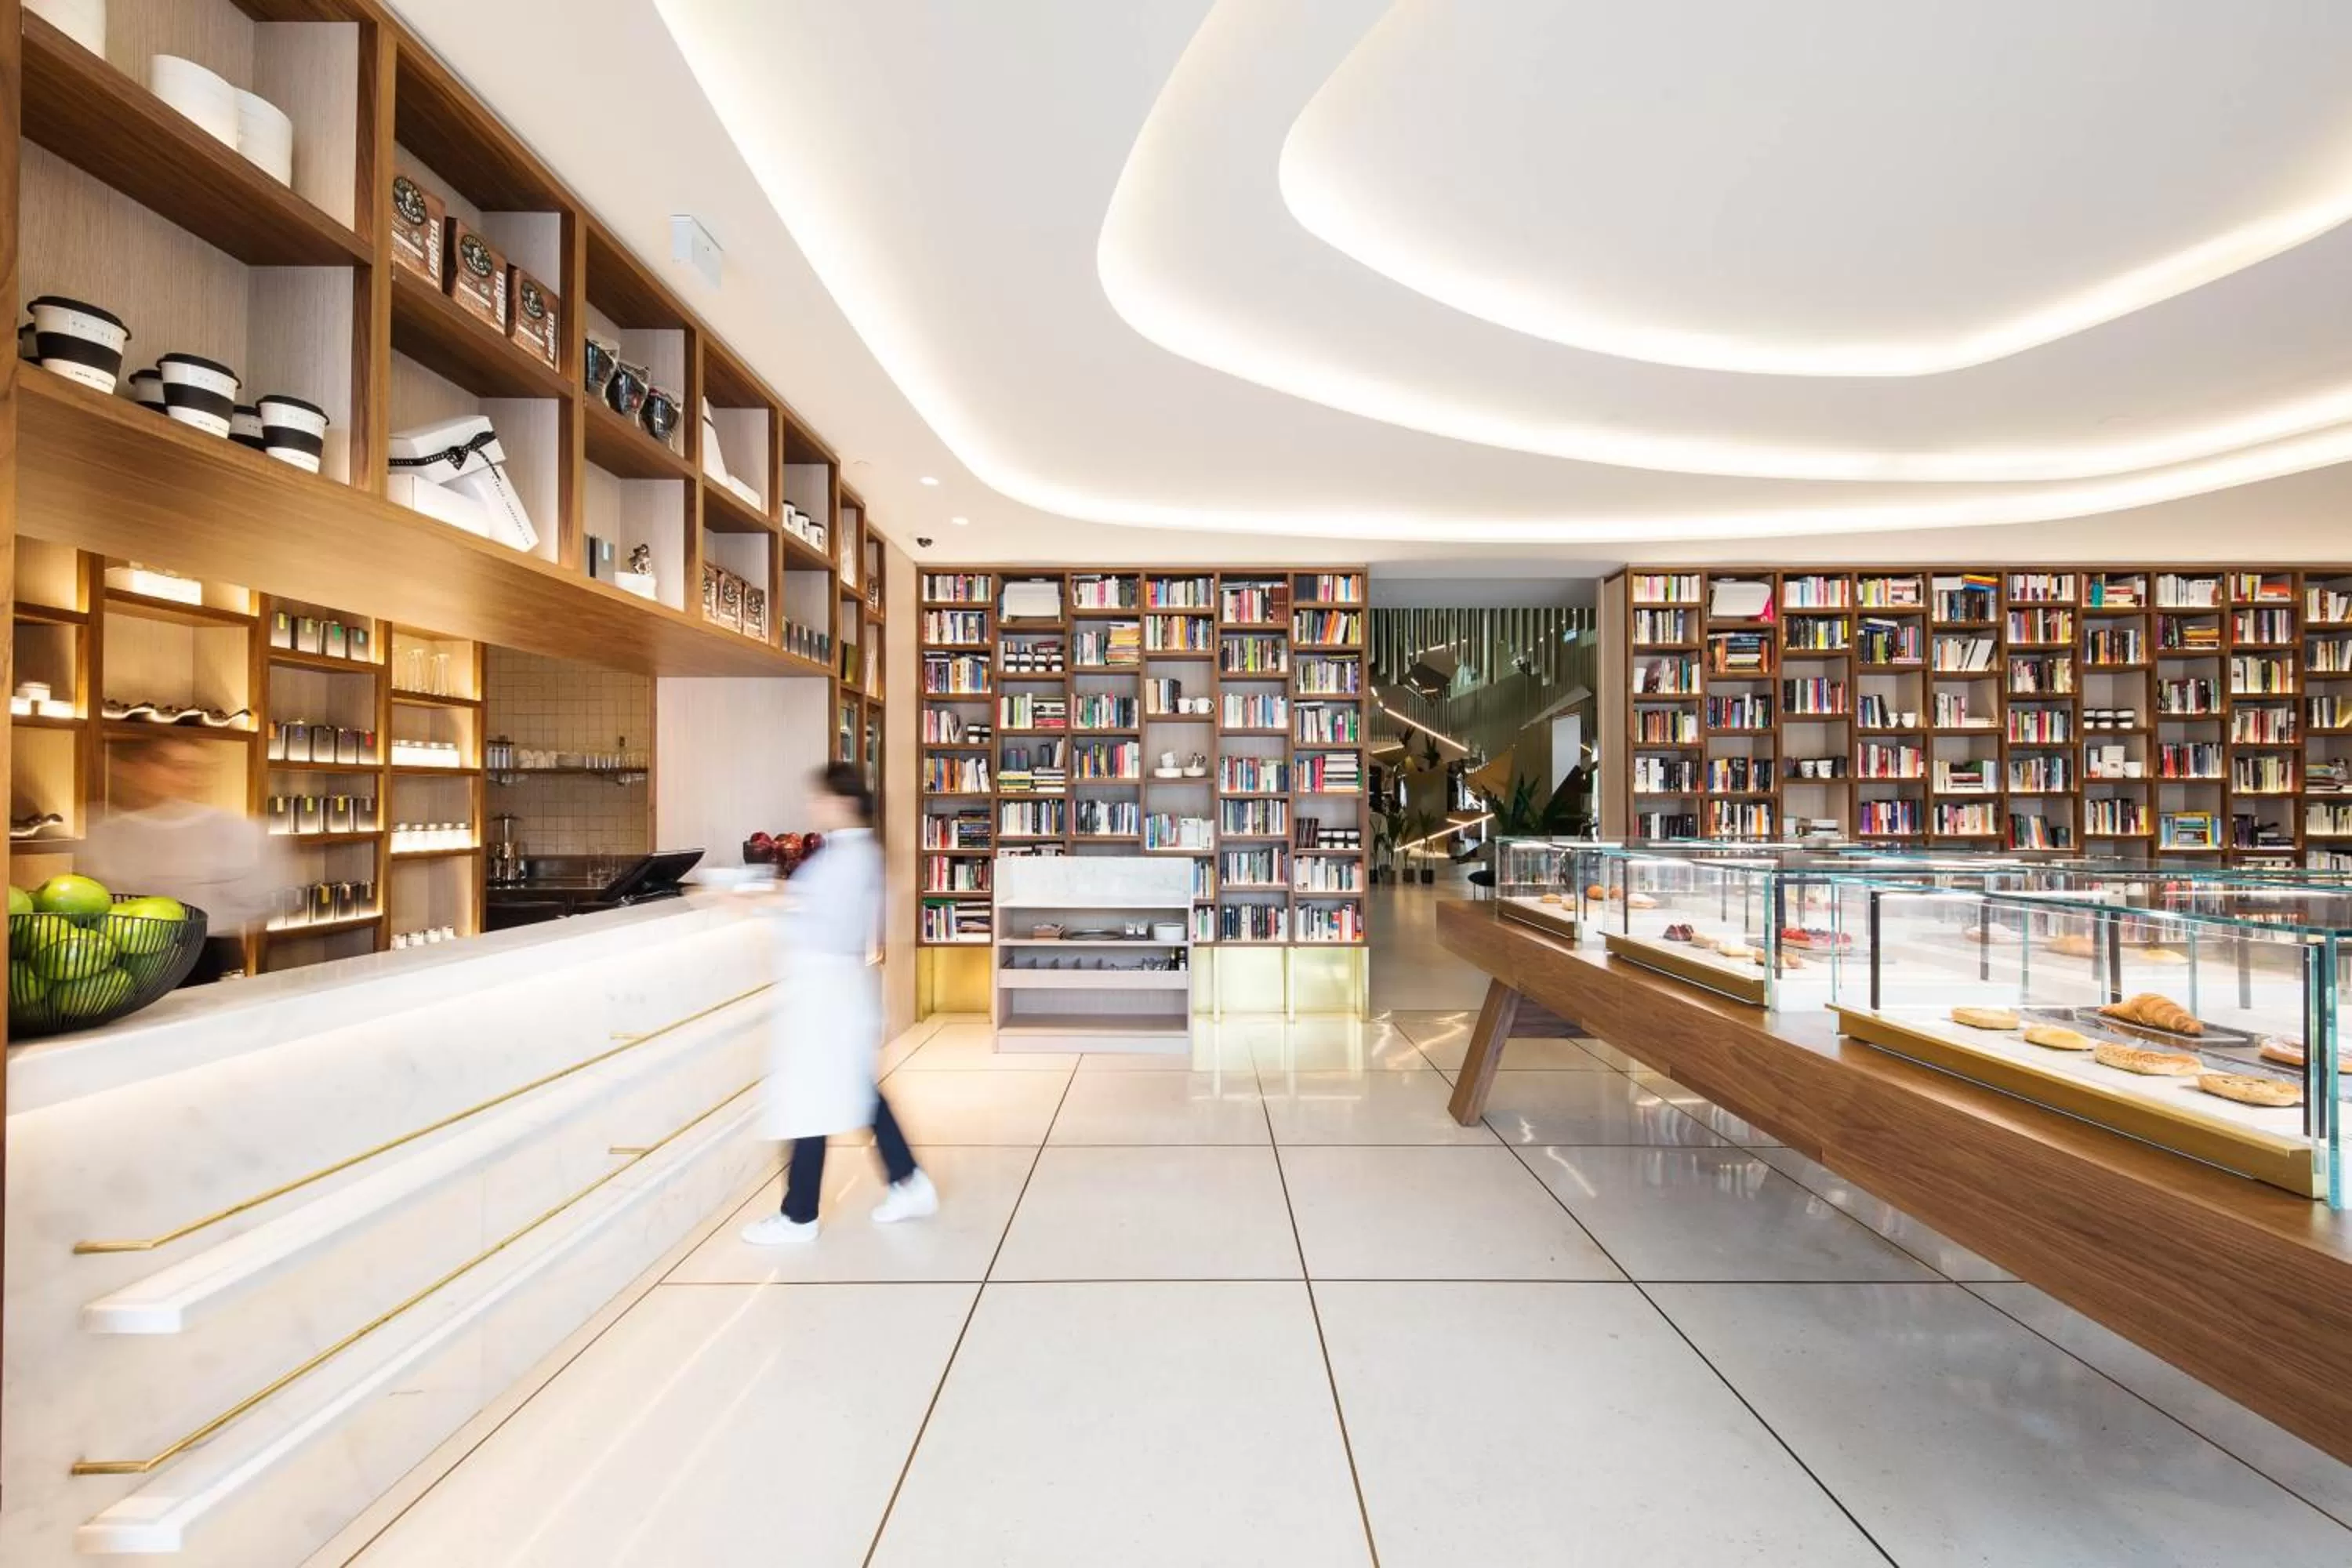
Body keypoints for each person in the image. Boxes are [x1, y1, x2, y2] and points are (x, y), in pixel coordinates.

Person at [741, 762, 936, 1243]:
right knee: (848, 1089)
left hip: (827, 987)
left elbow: (827, 924)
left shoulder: (849, 858)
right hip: (836, 987)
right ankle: (906, 1180)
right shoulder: (856, 853)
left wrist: (762, 904)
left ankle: (800, 1214)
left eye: (819, 799)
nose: (813, 807)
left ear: (842, 802)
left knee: (814, 1095)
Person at [81, 735, 289, 984]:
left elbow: (265, 897)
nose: (189, 778)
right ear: (140, 768)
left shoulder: (229, 828)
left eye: (197, 769)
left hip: (205, 954)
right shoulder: (109, 831)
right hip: (128, 953)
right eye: (176, 767)